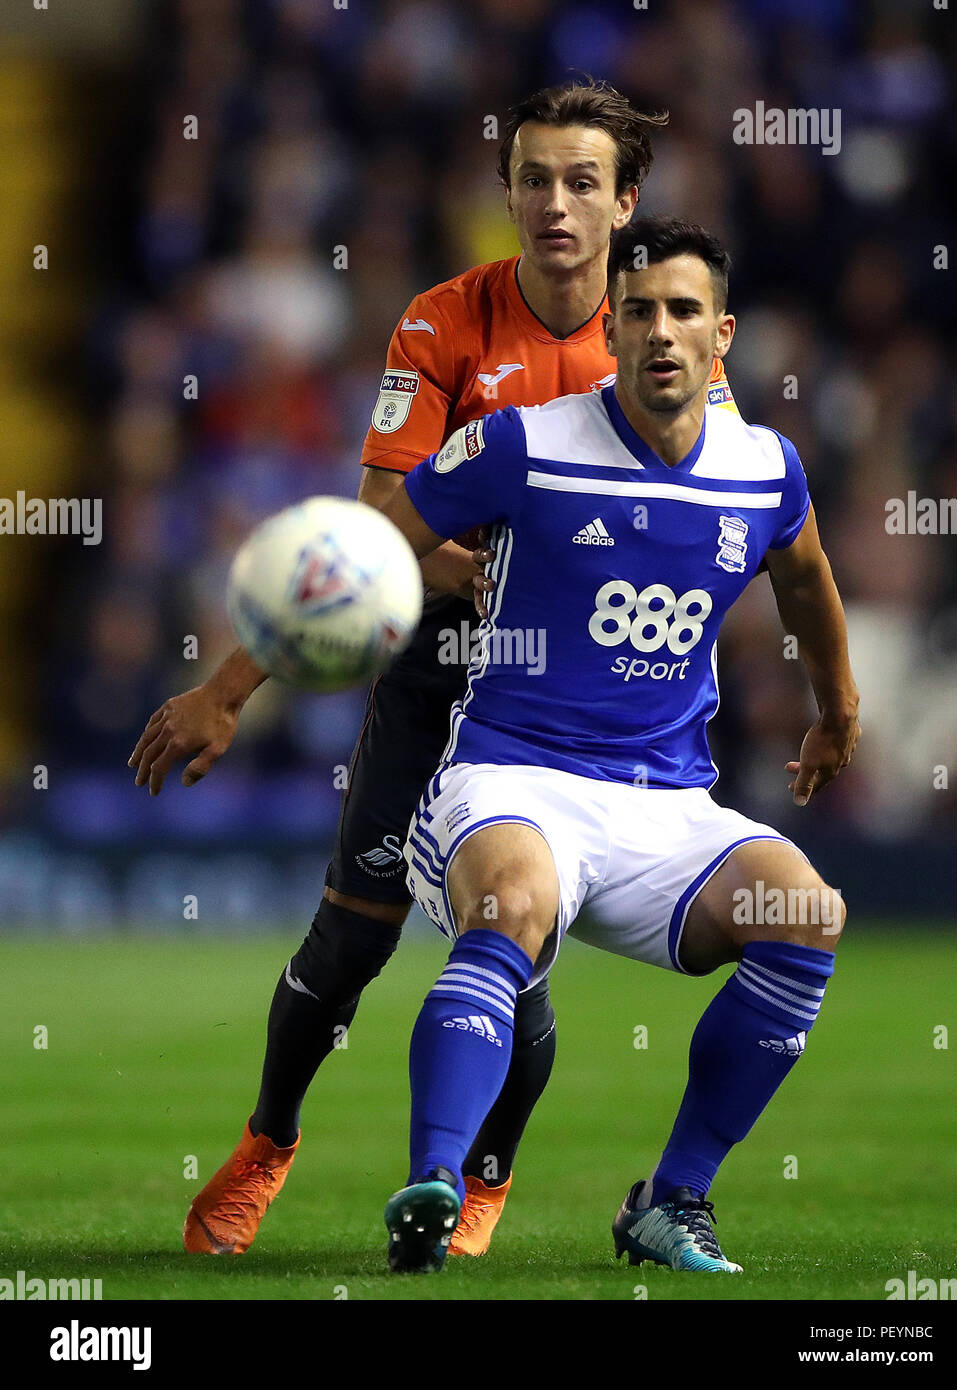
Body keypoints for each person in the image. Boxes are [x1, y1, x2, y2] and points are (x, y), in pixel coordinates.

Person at [128, 79, 741, 1258]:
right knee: (351, 936)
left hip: (568, 707)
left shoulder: (660, 335)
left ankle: (482, 1176)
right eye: (531, 179)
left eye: (579, 182)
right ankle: (268, 1140)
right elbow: (376, 524)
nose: (552, 204)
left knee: (514, 954)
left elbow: (704, 512)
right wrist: (224, 689)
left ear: (625, 202)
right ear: (505, 190)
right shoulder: (442, 322)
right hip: (436, 676)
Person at [377, 216, 861, 1274]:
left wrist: (836, 706)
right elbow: (372, 544)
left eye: (681, 311)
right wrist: (234, 682)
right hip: (509, 775)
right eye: (634, 310)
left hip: (665, 806)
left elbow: (806, 575)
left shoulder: (762, 469)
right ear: (612, 329)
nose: (657, 331)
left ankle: (670, 1200)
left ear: (719, 335)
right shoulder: (522, 442)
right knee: (504, 911)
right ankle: (434, 1180)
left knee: (806, 916)